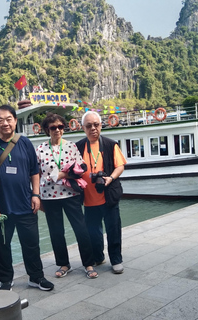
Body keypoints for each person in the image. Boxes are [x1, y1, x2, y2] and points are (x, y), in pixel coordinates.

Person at [0, 105, 54, 291]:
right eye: (0, 120)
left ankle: (36, 277)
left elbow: (34, 171)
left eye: (8, 119)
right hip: (0, 207)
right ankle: (6, 280)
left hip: (25, 203)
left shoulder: (25, 143)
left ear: (15, 121)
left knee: (31, 244)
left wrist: (36, 194)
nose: (5, 123)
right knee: (1, 247)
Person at [36, 113, 98, 279]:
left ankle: (88, 263)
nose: (57, 130)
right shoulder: (41, 149)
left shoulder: (71, 146)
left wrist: (64, 175)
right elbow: (36, 174)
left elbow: (81, 168)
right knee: (56, 232)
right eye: (53, 128)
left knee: (81, 229)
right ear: (47, 130)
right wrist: (37, 196)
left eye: (60, 127)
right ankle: (63, 264)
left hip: (71, 194)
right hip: (49, 196)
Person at [76, 111, 127, 274]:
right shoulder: (78, 147)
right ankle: (98, 257)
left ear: (101, 126)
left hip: (108, 196)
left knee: (113, 229)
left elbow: (120, 166)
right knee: (93, 232)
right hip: (88, 199)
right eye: (89, 126)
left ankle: (116, 260)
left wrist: (110, 178)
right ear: (83, 128)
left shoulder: (111, 144)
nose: (93, 128)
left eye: (96, 125)